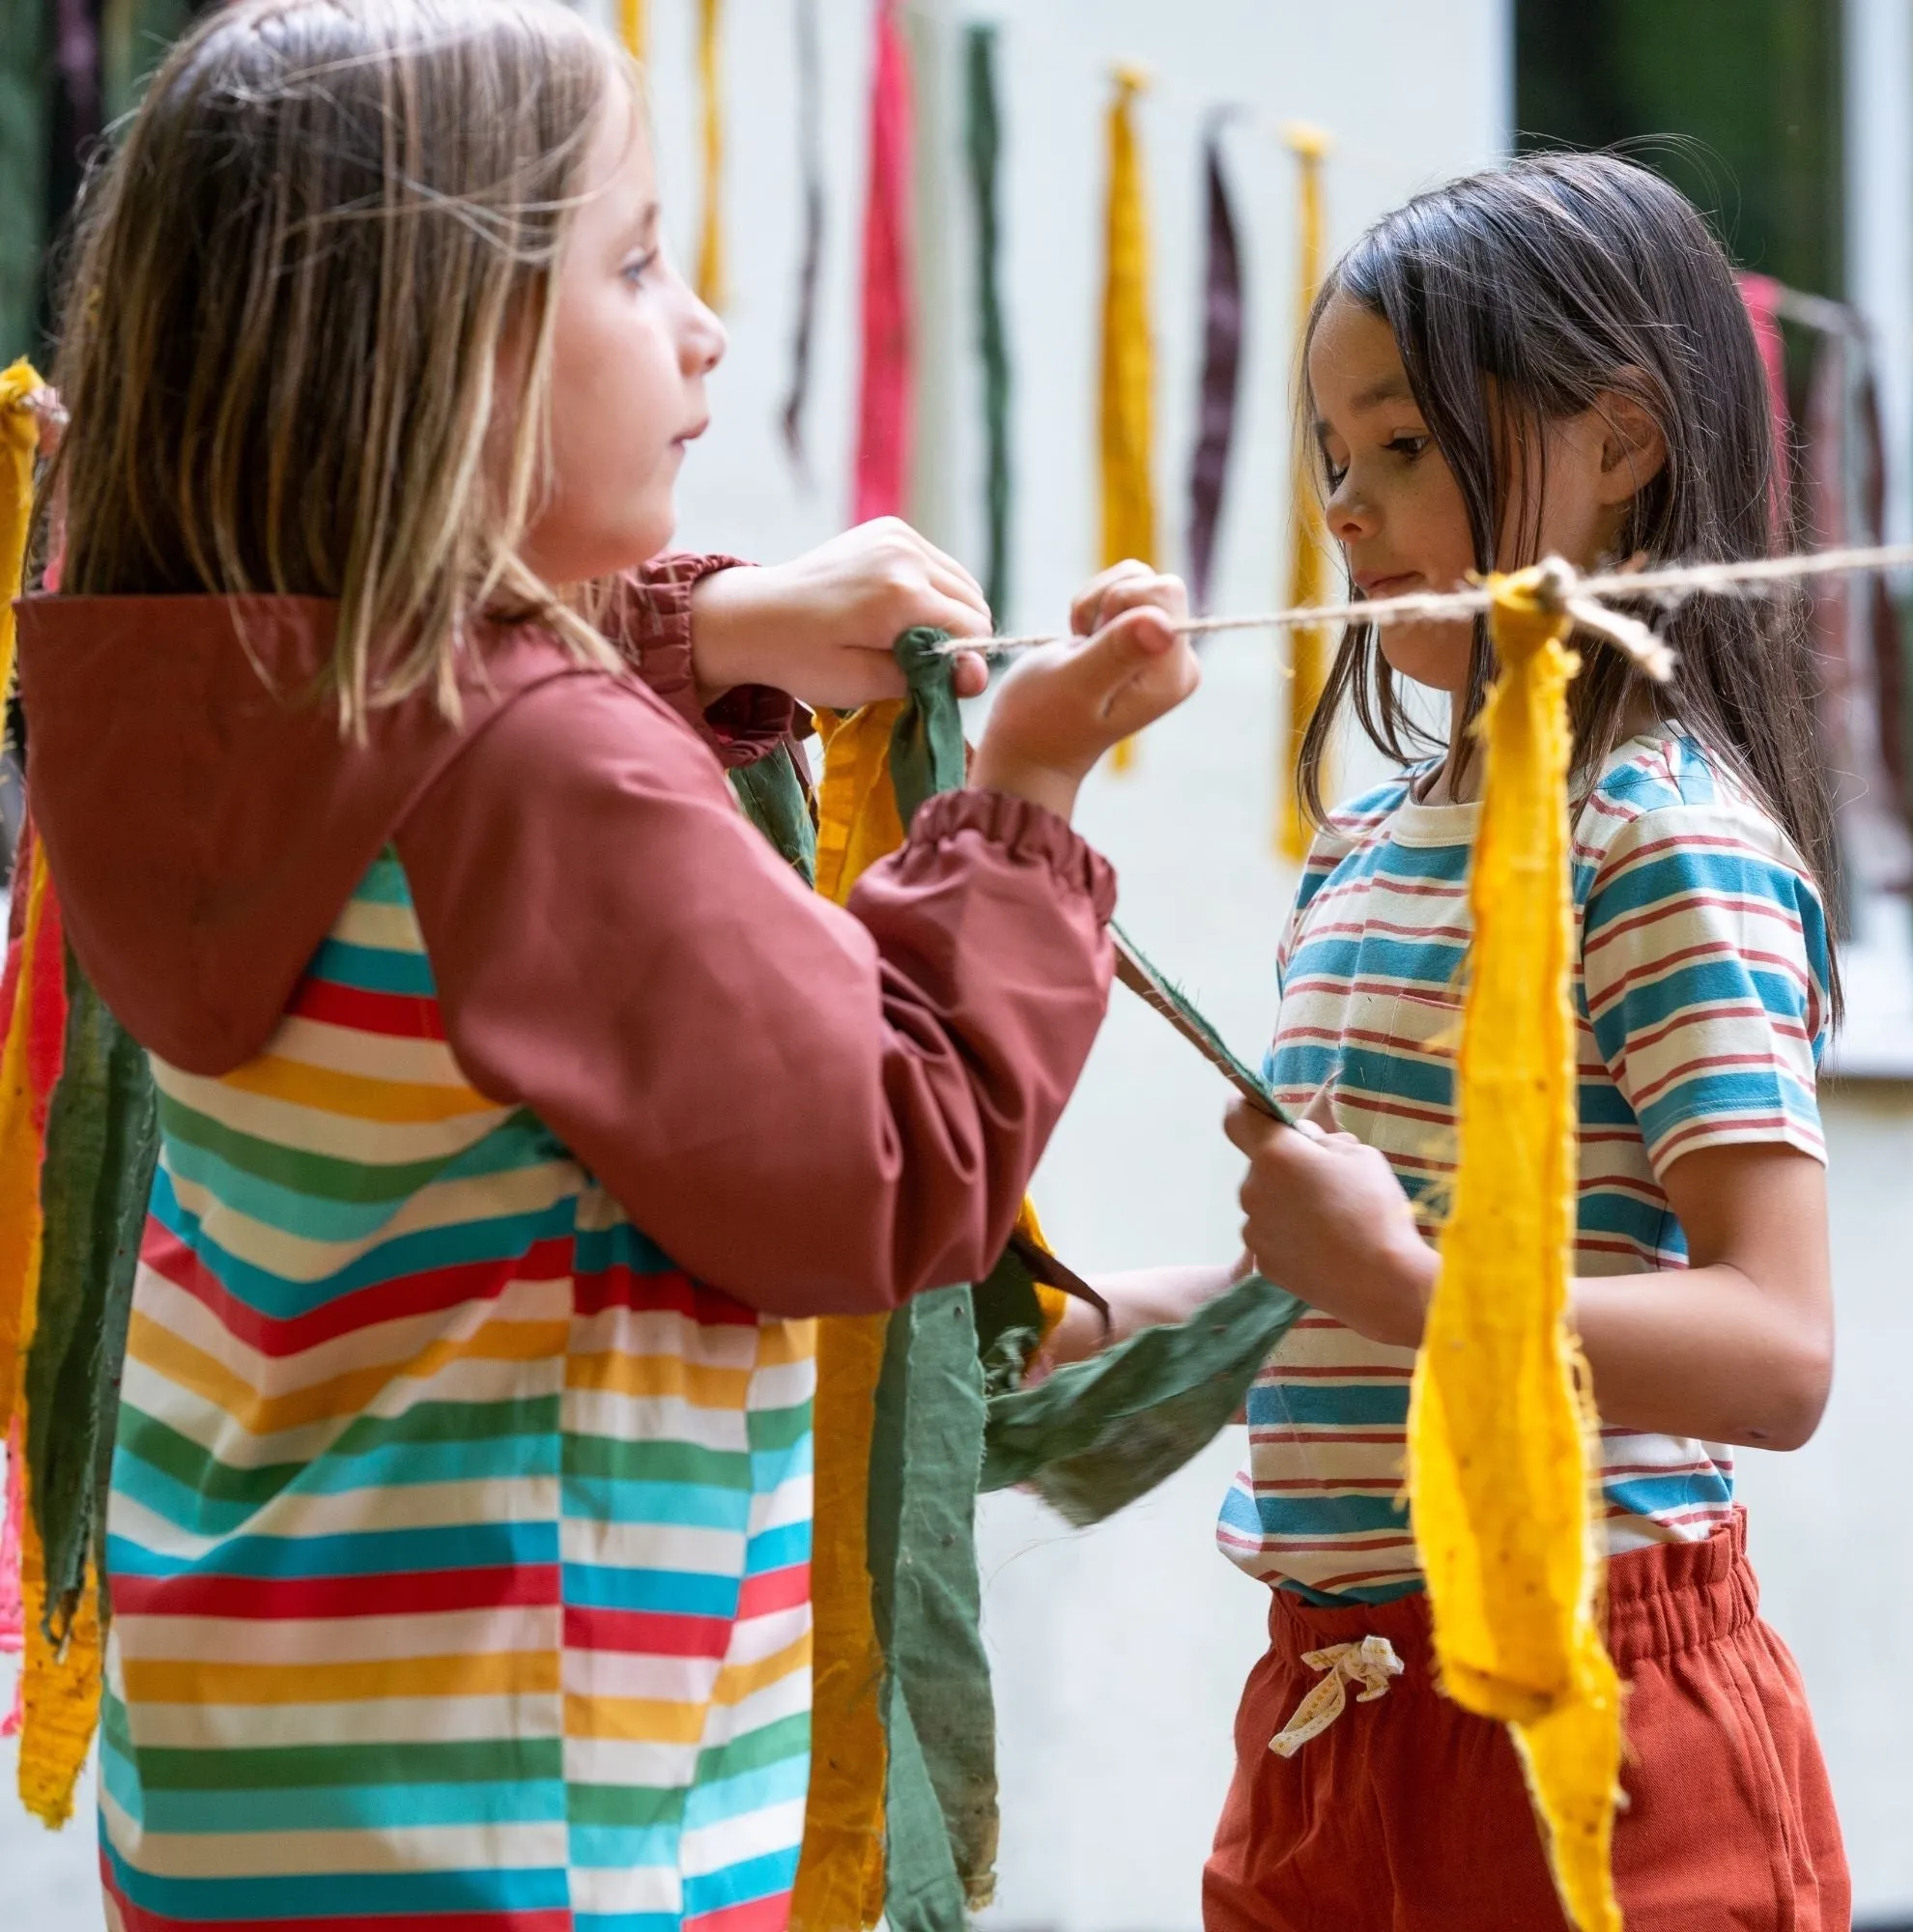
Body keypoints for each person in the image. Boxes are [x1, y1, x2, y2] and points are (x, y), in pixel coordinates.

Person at [12, 3, 1200, 1927]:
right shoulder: (535, 769)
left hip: (256, 1781)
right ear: (428, 354)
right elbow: (890, 1162)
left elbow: (432, 746)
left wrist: (700, 630)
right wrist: (1026, 795)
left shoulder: (162, 685)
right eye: (637, 262)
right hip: (546, 1814)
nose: (703, 325)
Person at [1050, 155, 1849, 1931]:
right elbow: (1348, 1280)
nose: (1346, 506)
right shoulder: (1366, 847)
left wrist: (1416, 1286)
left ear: (1624, 445)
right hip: (1334, 1721)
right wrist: (1095, 1322)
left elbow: (1777, 1351)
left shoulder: (1661, 842)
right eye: (1335, 458)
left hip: (1599, 1726)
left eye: (1404, 446)